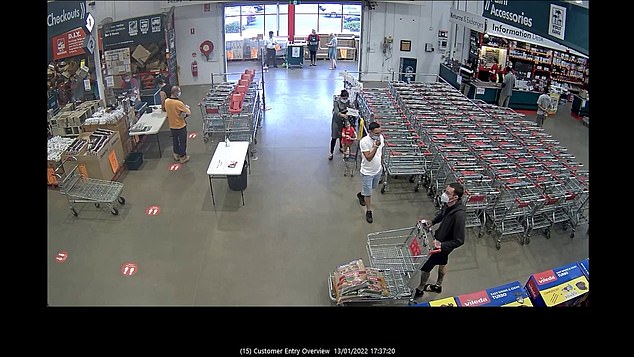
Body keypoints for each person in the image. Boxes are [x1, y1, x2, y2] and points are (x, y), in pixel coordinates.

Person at [410, 182, 466, 302]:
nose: (444, 194)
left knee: (426, 267)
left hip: (443, 245)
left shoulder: (459, 215)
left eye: (447, 193)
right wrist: (432, 222)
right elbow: (442, 214)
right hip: (440, 239)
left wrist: (442, 245)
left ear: (455, 197)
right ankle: (438, 285)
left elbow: (460, 240)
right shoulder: (449, 204)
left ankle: (420, 288)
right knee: (443, 262)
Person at [356, 122, 384, 224]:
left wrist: (382, 165)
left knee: (372, 187)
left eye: (379, 132)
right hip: (367, 172)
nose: (379, 135)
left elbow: (382, 152)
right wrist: (375, 147)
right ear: (371, 132)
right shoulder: (364, 142)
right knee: (369, 194)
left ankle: (361, 194)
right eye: (376, 133)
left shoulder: (381, 138)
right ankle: (368, 211)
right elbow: (368, 158)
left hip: (377, 170)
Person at [164, 86, 191, 164]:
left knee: (175, 140)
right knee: (182, 141)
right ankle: (183, 157)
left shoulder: (167, 101)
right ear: (176, 93)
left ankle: (176, 154)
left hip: (172, 125)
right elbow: (188, 112)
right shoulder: (178, 103)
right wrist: (186, 108)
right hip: (180, 125)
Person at [330, 89, 353, 160]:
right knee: (334, 137)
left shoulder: (347, 102)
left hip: (343, 121)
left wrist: (352, 110)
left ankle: (341, 147)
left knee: (342, 136)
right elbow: (336, 111)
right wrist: (342, 115)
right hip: (336, 121)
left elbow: (349, 108)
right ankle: (331, 153)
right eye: (344, 98)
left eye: (346, 98)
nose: (345, 100)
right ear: (341, 97)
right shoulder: (336, 102)